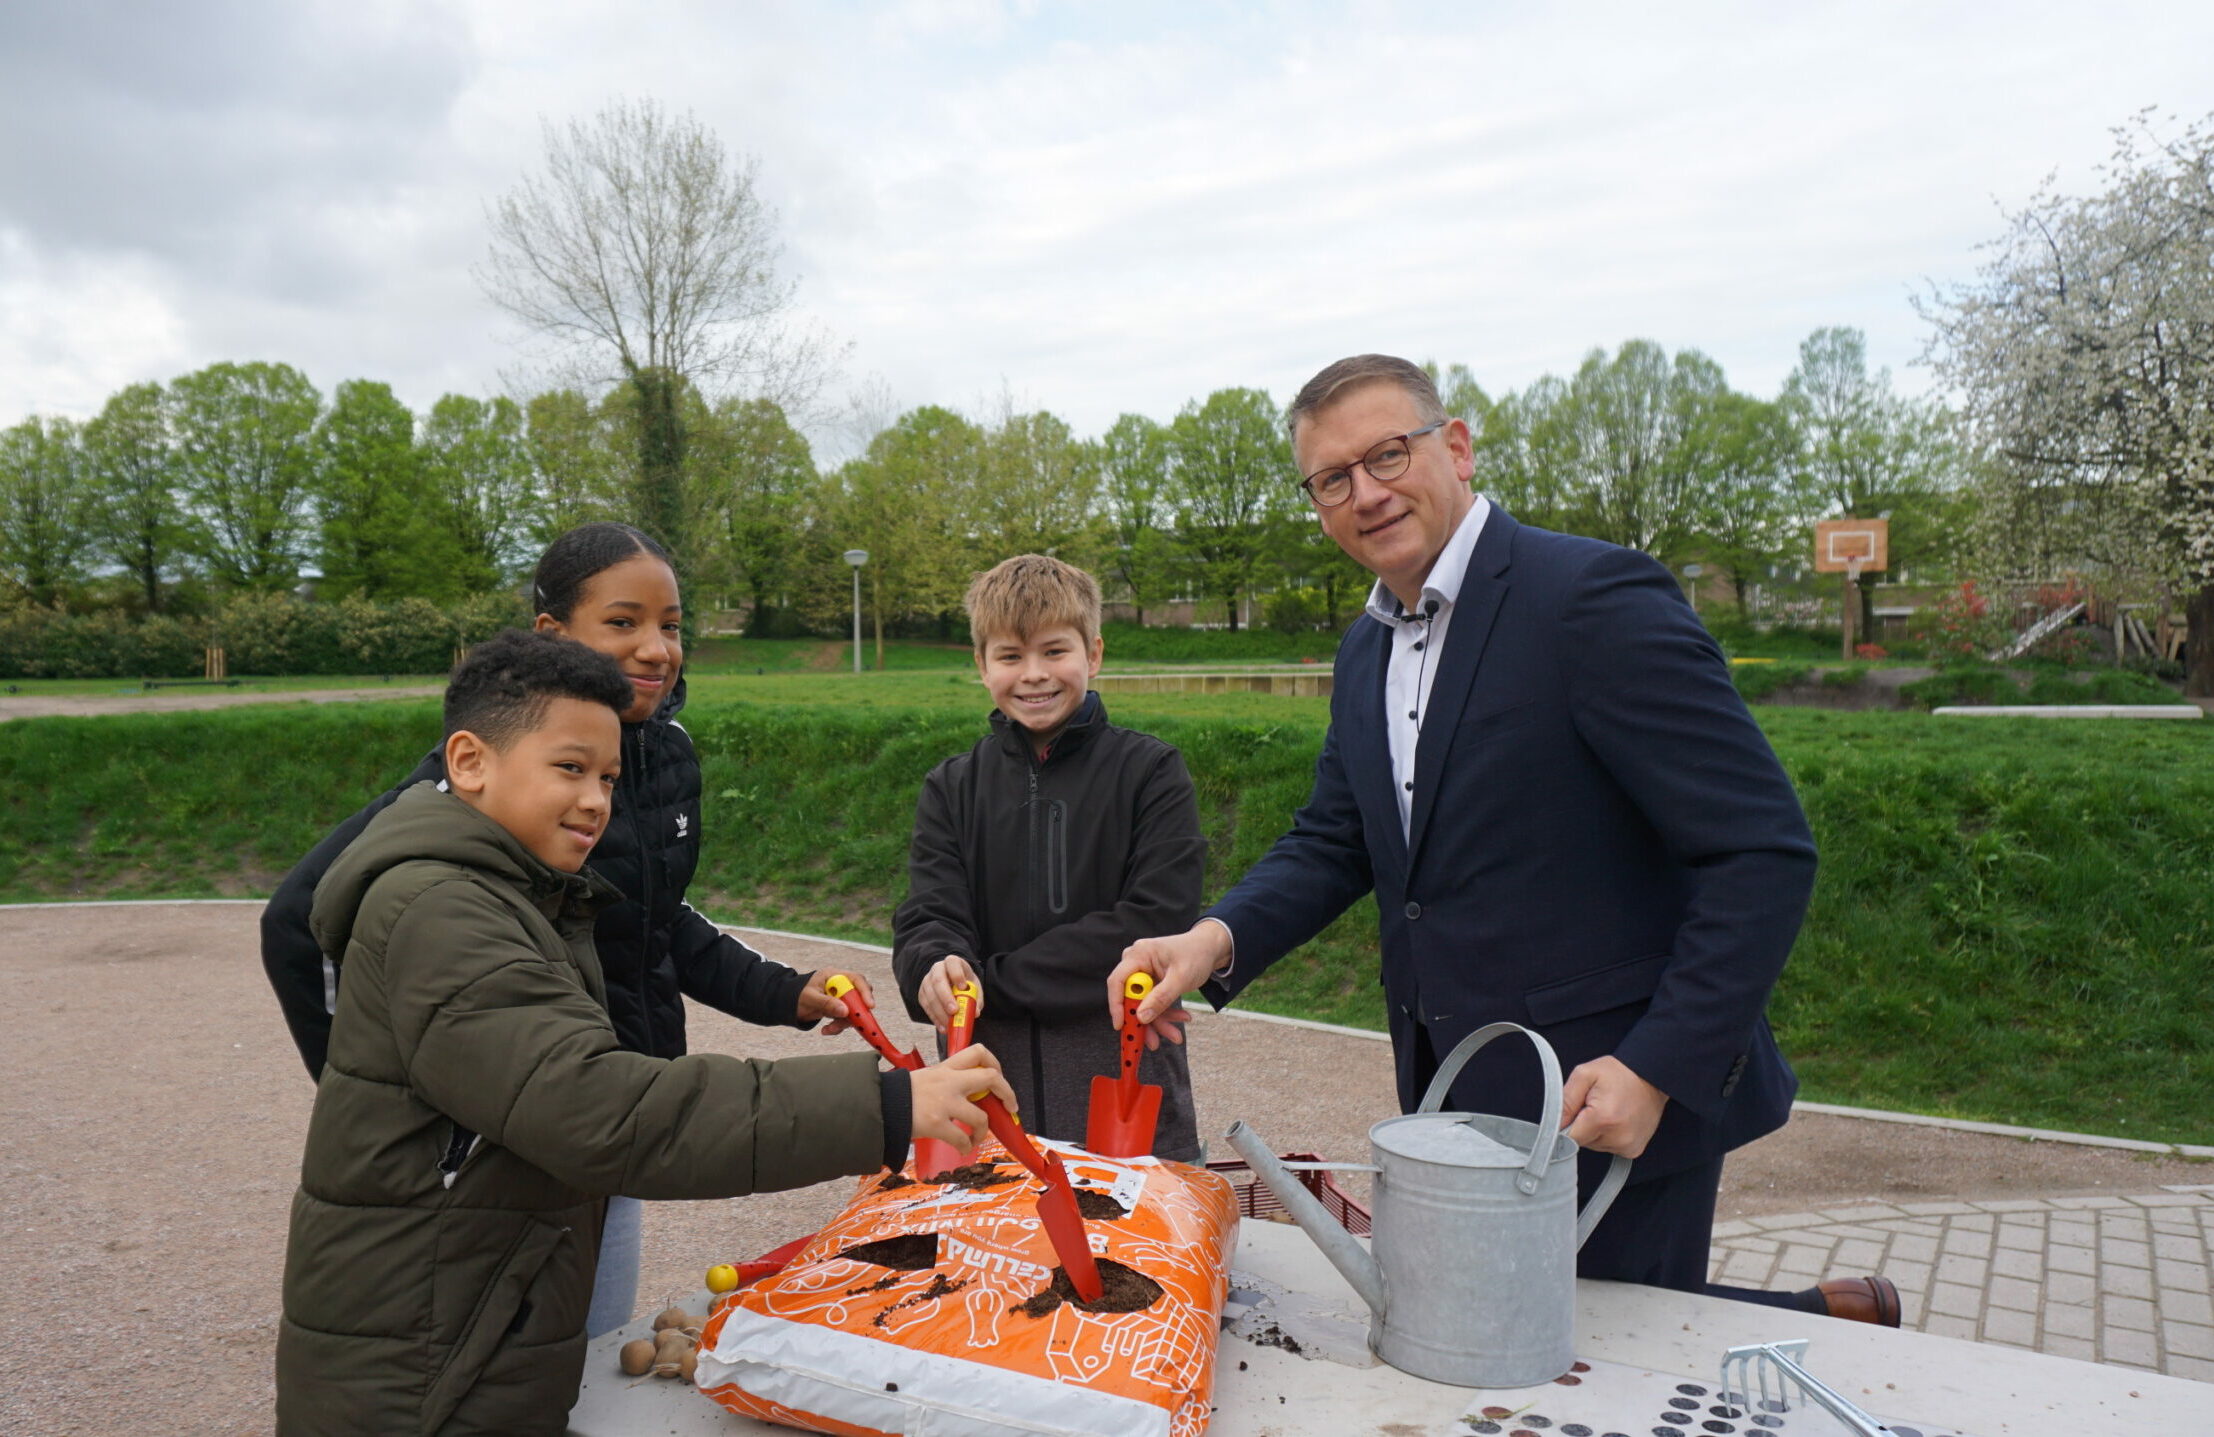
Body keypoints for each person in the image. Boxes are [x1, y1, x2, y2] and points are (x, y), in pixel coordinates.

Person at [1113, 355, 1898, 1325]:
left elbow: (1760, 850)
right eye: (1332, 479)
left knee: (1619, 1350)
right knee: (1504, 1338)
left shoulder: (1591, 598)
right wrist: (1213, 938)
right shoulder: (1365, 647)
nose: (1366, 493)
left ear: (1456, 448)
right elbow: (1337, 838)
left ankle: (1816, 1321)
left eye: (1387, 455)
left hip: (1607, 1099)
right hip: (1458, 1091)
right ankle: (1826, 1313)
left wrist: (1656, 1066)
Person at [273, 630, 1013, 1435]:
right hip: (423, 1374)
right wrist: (887, 1104)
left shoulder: (515, 892)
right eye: (570, 768)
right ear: (470, 761)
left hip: (460, 1334)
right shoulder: (444, 913)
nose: (597, 799)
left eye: (609, 777)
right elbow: (596, 1105)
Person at [260, 520, 874, 1337]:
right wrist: (394, 1101)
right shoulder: (486, 783)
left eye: (672, 624)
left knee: (582, 1355)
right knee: (505, 1362)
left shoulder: (667, 754)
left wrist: (782, 992)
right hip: (516, 1136)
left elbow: (654, 916)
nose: (656, 648)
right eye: (623, 622)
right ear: (552, 634)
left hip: (616, 1116)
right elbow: (296, 921)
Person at [892, 555, 1209, 1161]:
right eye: (1010, 656)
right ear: (982, 666)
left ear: (1094, 654)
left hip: (1125, 1085)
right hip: (982, 1100)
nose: (1034, 675)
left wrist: (990, 982)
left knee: (1134, 1227)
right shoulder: (951, 786)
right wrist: (934, 966)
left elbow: (1155, 918)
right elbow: (929, 912)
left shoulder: (1151, 771)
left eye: (1055, 651)